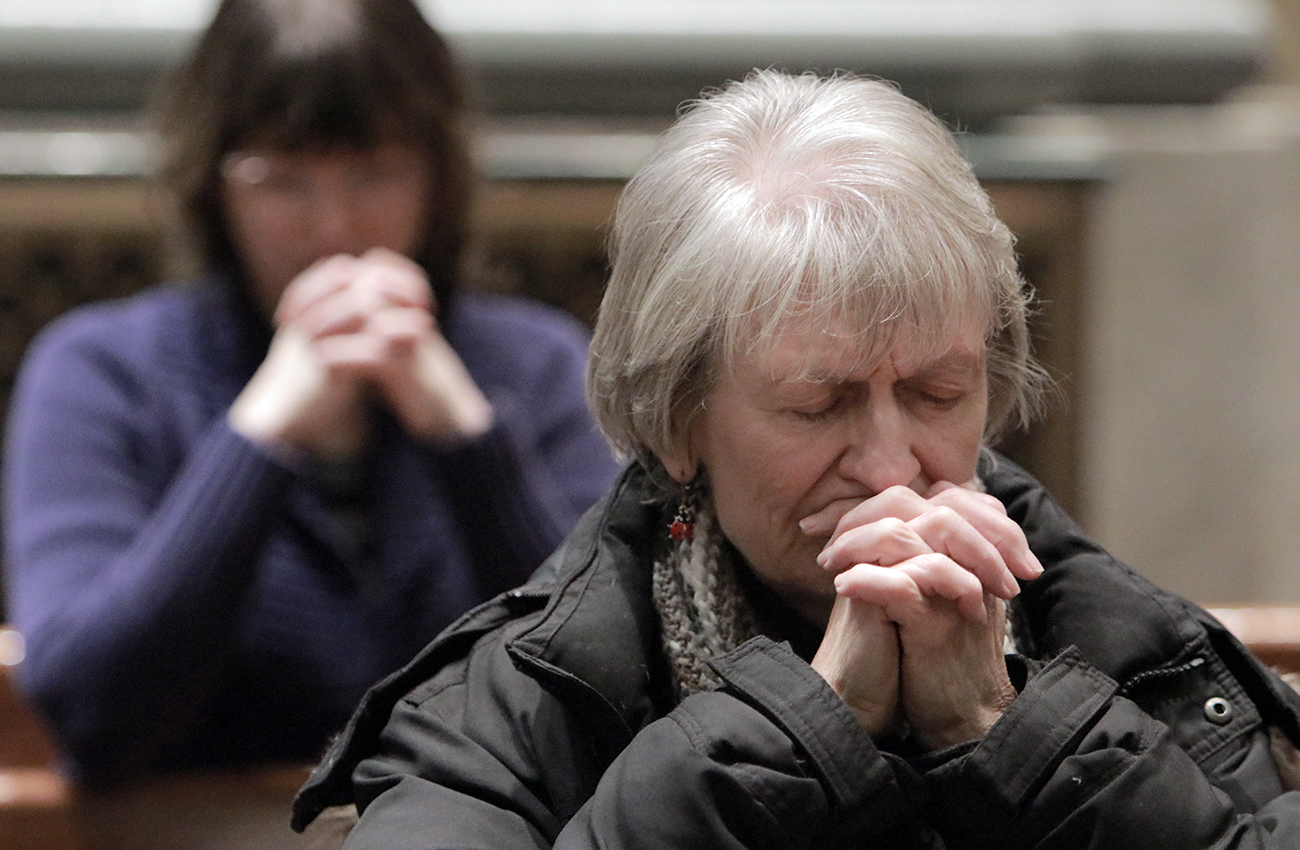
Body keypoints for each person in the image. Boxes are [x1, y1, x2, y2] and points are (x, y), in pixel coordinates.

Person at [288, 69, 1300, 848]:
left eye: (937, 392)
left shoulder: (1134, 644)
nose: (892, 463)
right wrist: (805, 728)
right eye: (817, 405)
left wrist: (1006, 730)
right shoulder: (510, 705)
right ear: (677, 419)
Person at [2, 0, 618, 788]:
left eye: (376, 172)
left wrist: (465, 436)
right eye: (281, 180)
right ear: (212, 182)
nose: (335, 227)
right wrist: (259, 436)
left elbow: (614, 692)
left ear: (439, 173)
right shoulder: (101, 370)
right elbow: (88, 711)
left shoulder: (535, 366)